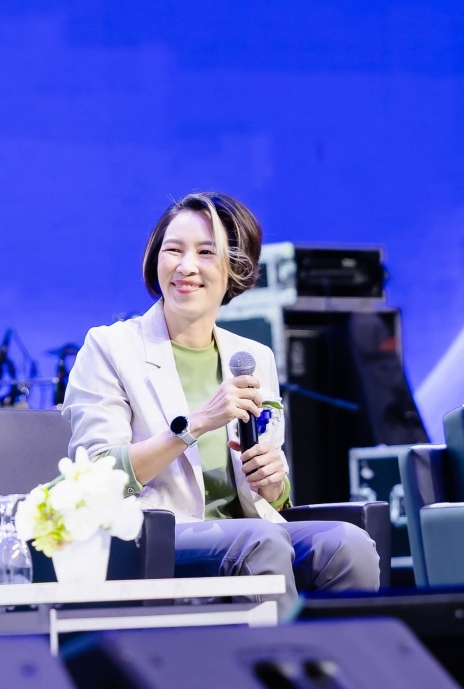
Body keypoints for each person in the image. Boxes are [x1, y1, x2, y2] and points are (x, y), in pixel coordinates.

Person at [62, 192, 380, 600]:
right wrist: (194, 425)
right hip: (152, 534)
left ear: (236, 268)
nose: (185, 266)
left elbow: (271, 499)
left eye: (205, 252)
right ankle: (276, 645)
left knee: (349, 545)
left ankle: (352, 645)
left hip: (250, 531)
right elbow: (95, 479)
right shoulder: (110, 348)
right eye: (173, 250)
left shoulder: (253, 358)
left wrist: (274, 484)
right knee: (261, 542)